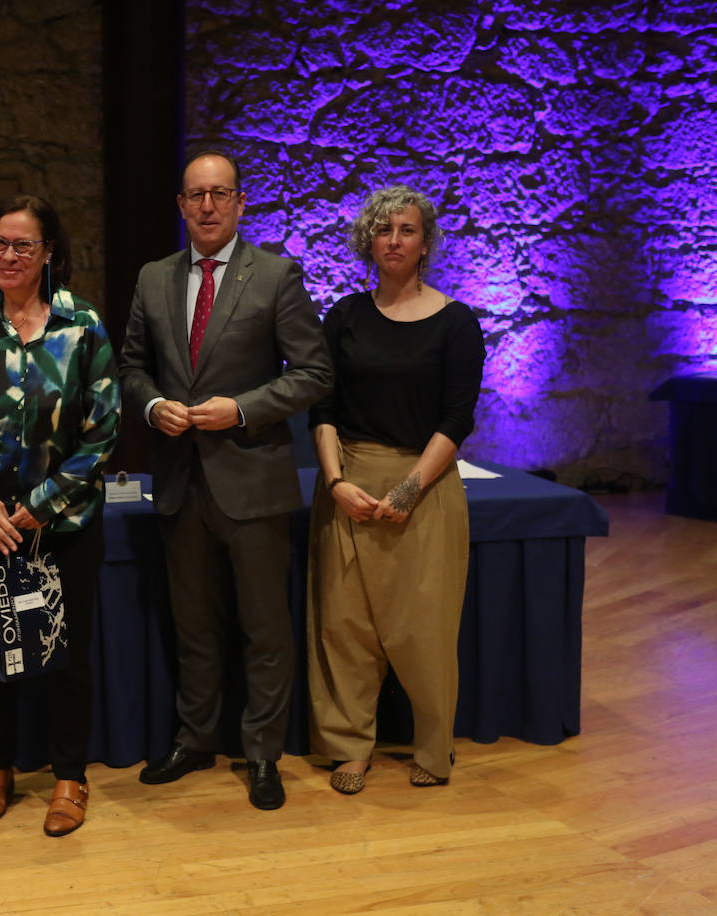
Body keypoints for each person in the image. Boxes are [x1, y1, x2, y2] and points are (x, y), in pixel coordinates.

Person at [119, 150, 333, 810]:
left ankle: (264, 752)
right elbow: (131, 368)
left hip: (255, 482)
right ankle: (195, 738)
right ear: (181, 206)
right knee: (194, 626)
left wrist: (241, 409)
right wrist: (154, 407)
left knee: (264, 628)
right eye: (195, 195)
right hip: (181, 482)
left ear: (241, 203)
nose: (207, 206)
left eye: (220, 194)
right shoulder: (153, 279)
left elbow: (314, 372)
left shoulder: (276, 275)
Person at [0, 193, 120, 837]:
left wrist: (39, 507)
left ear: (49, 252)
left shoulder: (85, 326)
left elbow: (103, 434)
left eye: (23, 245)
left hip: (62, 527)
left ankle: (69, 776)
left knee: (64, 654)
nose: (9, 256)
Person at [306, 185, 485, 794]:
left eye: (406, 230)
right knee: (345, 626)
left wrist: (409, 490)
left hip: (427, 486)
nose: (394, 241)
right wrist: (335, 482)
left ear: (425, 242)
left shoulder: (457, 322)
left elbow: (457, 417)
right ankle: (349, 746)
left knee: (425, 627)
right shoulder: (344, 318)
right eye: (383, 231)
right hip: (349, 482)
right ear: (368, 241)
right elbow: (322, 408)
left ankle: (434, 749)